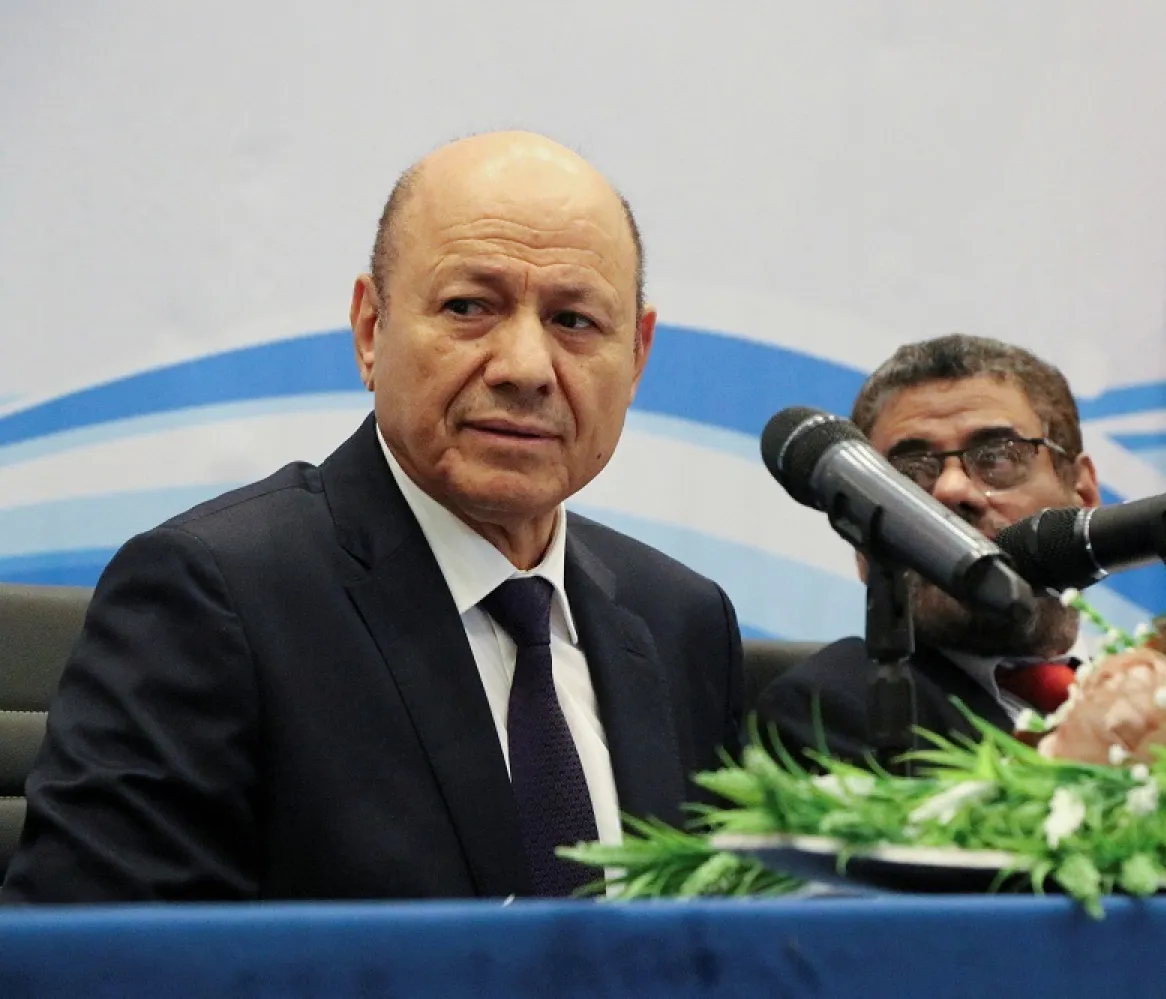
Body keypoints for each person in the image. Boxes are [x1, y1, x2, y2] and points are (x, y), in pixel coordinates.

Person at [2, 132, 743, 902]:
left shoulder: (682, 624)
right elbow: (101, 965)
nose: (525, 368)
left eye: (575, 321)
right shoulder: (213, 601)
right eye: (469, 307)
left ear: (638, 356)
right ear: (369, 329)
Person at [754, 334, 1101, 765]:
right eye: (909, 475)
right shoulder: (832, 710)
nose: (951, 490)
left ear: (1081, 492)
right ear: (861, 531)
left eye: (997, 457)